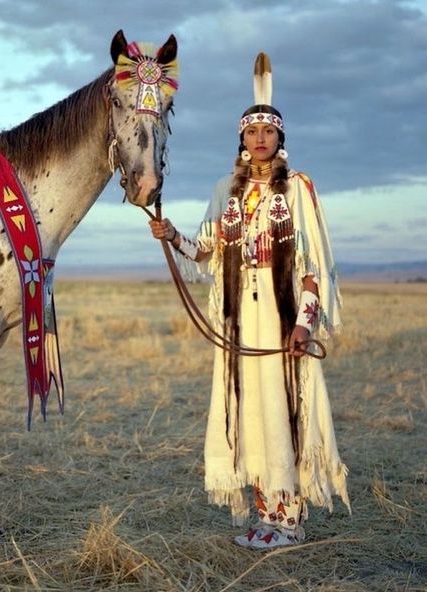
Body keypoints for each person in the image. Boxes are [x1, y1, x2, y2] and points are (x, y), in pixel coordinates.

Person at [149, 52, 350, 550]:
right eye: (251, 132)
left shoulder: (298, 190)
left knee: (281, 409)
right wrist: (172, 234)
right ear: (241, 138)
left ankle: (289, 519)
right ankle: (265, 514)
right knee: (248, 412)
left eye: (269, 132)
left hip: (281, 322)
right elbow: (207, 251)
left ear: (280, 138)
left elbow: (312, 266)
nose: (260, 139)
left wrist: (304, 325)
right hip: (240, 322)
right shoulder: (225, 190)